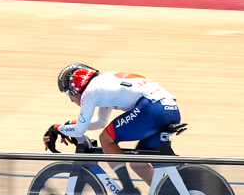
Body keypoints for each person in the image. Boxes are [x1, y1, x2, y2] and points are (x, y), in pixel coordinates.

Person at [49, 64, 182, 158]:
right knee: (140, 163)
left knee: (106, 139)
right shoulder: (103, 84)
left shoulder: (90, 93)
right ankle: (162, 193)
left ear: (75, 88)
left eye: (69, 95)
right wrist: (69, 125)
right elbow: (101, 122)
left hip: (150, 109)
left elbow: (79, 130)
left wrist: (56, 128)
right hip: (171, 109)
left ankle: (127, 189)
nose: (71, 100)